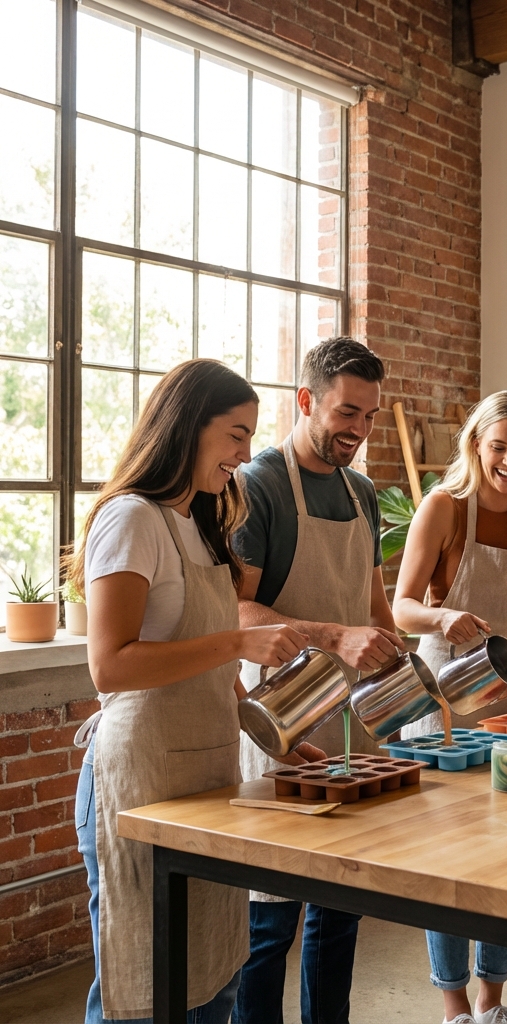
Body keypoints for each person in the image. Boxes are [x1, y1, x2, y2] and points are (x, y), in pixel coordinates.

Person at [71, 360, 311, 1024]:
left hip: (204, 779)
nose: (246, 454)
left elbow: (215, 679)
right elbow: (110, 666)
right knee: (142, 987)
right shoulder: (131, 519)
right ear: (187, 426)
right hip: (138, 779)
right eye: (236, 434)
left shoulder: (203, 525)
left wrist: (282, 742)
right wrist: (238, 641)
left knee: (212, 975)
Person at [232, 337, 404, 1024]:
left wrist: (403, 674)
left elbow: (375, 607)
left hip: (350, 728)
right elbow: (235, 612)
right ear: (306, 400)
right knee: (269, 923)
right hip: (281, 721)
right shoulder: (259, 485)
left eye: (370, 415)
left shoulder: (362, 493)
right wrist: (333, 636)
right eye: (347, 412)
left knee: (339, 914)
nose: (360, 429)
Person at [392, 390, 507, 1024]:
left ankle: (493, 1001)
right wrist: (443, 617)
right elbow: (402, 607)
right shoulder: (444, 507)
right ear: (475, 445)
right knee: (447, 858)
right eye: (499, 447)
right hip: (443, 701)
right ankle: (454, 1006)